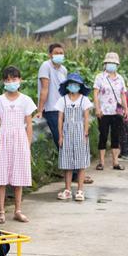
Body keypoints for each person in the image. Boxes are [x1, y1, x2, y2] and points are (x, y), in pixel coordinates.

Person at [37, 43, 93, 186]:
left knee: (71, 140)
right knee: (61, 140)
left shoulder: (63, 69)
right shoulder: (45, 66)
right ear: (50, 54)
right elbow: (44, 89)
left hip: (66, 107)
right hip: (52, 109)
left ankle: (76, 172)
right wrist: (39, 109)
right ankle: (74, 174)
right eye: (56, 52)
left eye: (61, 52)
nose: (59, 55)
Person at [0, 66, 36, 223]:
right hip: (3, 139)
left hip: (20, 140)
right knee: (1, 177)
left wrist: (27, 147)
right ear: (4, 81)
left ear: (20, 80)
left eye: (14, 79)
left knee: (19, 176)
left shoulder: (26, 100)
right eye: (8, 79)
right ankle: (1, 211)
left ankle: (18, 210)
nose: (11, 82)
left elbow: (29, 125)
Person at [56, 72, 93, 202]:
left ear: (80, 86)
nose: (73, 86)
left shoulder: (84, 100)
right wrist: (60, 135)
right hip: (67, 132)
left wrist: (85, 133)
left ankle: (80, 190)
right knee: (67, 163)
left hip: (79, 131)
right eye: (71, 84)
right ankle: (67, 190)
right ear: (67, 86)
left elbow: (86, 118)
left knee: (81, 162)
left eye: (76, 84)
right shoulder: (63, 100)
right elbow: (60, 118)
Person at [93, 52, 128, 171]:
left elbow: (123, 95)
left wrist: (126, 109)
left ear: (117, 65)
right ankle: (101, 162)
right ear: (105, 64)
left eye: (114, 63)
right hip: (103, 111)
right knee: (103, 135)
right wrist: (97, 108)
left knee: (116, 136)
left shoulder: (120, 78)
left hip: (117, 112)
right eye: (109, 63)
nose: (111, 65)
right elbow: (95, 93)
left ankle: (115, 161)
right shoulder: (100, 77)